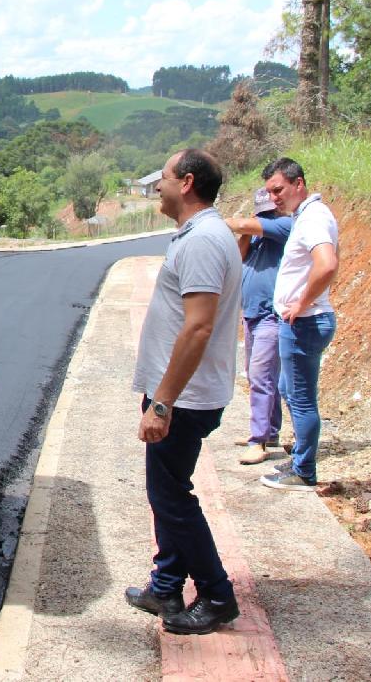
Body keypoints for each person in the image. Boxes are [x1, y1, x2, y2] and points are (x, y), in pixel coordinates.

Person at [125, 148, 243, 635]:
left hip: (183, 398)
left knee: (171, 497)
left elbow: (198, 327)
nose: (158, 185)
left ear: (187, 182)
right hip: (182, 393)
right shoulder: (201, 235)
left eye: (165, 177)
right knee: (167, 492)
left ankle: (216, 594)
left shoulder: (203, 242)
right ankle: (166, 585)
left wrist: (162, 402)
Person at [258, 157, 339, 491]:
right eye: (269, 192)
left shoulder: (313, 218)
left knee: (301, 399)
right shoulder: (306, 216)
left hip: (305, 322)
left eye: (278, 190)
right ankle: (300, 460)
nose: (274, 198)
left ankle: (304, 470)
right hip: (301, 320)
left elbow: (327, 264)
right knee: (288, 389)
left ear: (298, 184)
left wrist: (302, 303)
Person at [225, 178, 294, 465]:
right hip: (252, 314)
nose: (266, 218)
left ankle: (258, 441)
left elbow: (241, 224)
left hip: (271, 316)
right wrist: (246, 233)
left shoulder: (284, 226)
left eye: (269, 212)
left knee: (261, 376)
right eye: (262, 213)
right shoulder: (255, 235)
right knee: (262, 377)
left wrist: (236, 224)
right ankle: (270, 431)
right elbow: (240, 256)